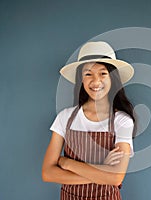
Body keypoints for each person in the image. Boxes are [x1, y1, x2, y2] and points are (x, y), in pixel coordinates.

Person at [42, 41, 135, 200]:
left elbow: (116, 178)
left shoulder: (122, 121)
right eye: (88, 73)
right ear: (81, 79)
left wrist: (67, 164)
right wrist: (102, 171)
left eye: (103, 73)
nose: (96, 81)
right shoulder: (65, 118)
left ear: (112, 78)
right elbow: (48, 173)